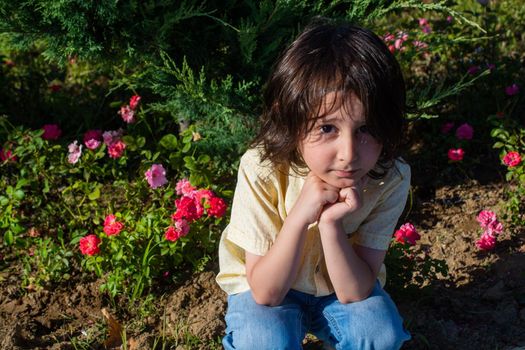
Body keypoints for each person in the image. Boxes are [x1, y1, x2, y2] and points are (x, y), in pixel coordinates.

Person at [216, 16, 411, 350]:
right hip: (266, 289)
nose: (348, 154)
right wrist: (301, 215)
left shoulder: (390, 178)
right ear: (291, 118)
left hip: (339, 291)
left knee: (379, 334)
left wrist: (331, 225)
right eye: (327, 128)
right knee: (263, 341)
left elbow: (355, 293)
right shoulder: (262, 169)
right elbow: (266, 292)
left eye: (365, 129)